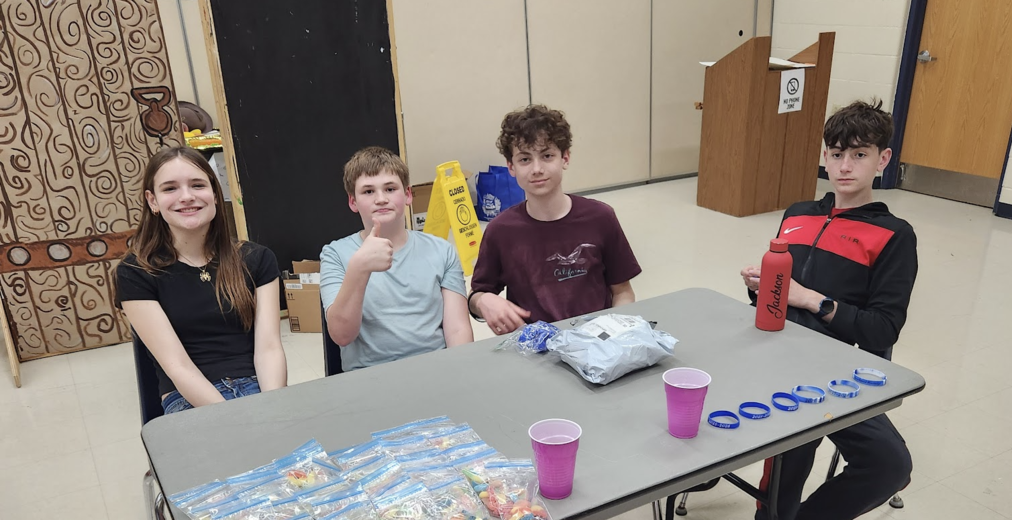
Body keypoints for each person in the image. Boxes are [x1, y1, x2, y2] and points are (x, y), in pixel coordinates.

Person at [735, 99, 917, 520]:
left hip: (840, 374)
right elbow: (772, 302)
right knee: (778, 435)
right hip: (771, 357)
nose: (844, 167)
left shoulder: (894, 235)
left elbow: (883, 329)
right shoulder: (799, 214)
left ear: (882, 160)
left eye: (858, 155)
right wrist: (762, 288)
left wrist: (809, 299)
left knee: (890, 465)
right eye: (836, 154)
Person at [117, 146, 286, 414]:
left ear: (215, 195)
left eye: (197, 185)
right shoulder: (135, 272)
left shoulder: (257, 259)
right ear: (152, 201)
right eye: (170, 188)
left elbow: (269, 349)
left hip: (259, 388)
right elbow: (178, 367)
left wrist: (273, 409)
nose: (186, 197)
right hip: (190, 399)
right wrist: (233, 419)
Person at [469, 105, 641, 334]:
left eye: (547, 155)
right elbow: (477, 295)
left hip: (596, 343)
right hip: (534, 349)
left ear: (565, 158)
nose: (537, 169)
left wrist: (612, 335)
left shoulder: (600, 218)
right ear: (511, 167)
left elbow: (622, 292)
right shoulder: (501, 230)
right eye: (524, 159)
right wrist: (482, 302)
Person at [320, 147, 473, 370]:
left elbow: (458, 330)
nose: (381, 199)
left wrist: (462, 376)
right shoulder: (335, 254)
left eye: (390, 188)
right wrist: (359, 268)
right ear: (353, 202)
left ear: (408, 194)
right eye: (368, 192)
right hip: (369, 377)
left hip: (436, 370)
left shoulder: (441, 250)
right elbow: (342, 336)